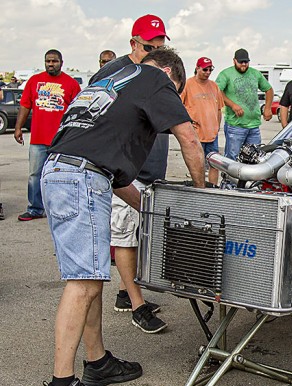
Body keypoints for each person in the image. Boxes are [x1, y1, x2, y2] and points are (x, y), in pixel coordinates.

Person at [39, 47, 205, 386]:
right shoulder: (156, 78)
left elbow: (118, 179)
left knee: (91, 277)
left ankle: (97, 363)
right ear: (169, 73)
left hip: (65, 173)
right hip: (82, 178)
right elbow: (191, 140)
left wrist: (156, 210)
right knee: (82, 283)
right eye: (176, 91)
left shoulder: (109, 82)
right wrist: (199, 196)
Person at [89, 14, 171, 333]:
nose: (155, 54)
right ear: (133, 43)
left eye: (161, 49)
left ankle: (126, 293)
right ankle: (138, 307)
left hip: (148, 169)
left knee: (139, 233)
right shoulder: (114, 73)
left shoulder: (153, 71)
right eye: (149, 48)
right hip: (125, 170)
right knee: (125, 234)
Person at [14, 50, 81, 221]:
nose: (51, 64)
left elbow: (77, 112)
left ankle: (61, 209)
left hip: (61, 140)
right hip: (38, 138)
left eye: (54, 61)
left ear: (61, 62)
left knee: (61, 175)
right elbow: (25, 105)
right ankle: (35, 208)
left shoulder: (71, 84)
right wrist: (18, 128)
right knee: (35, 175)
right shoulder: (34, 81)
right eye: (48, 61)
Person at [215, 48, 273, 160]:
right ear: (234, 61)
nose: (243, 64)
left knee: (254, 157)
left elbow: (269, 89)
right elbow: (217, 92)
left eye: (246, 62)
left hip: (254, 126)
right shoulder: (226, 74)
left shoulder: (255, 74)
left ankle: (249, 178)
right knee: (233, 157)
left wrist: (268, 108)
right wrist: (232, 105)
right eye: (240, 62)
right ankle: (230, 178)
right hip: (235, 126)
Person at [180, 57, 223, 185]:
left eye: (210, 69)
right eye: (205, 69)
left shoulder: (214, 86)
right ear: (197, 68)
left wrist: (217, 127)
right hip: (196, 134)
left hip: (212, 134)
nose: (208, 72)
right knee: (197, 165)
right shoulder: (188, 84)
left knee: (214, 164)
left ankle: (213, 188)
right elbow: (178, 106)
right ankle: (199, 188)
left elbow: (219, 109)